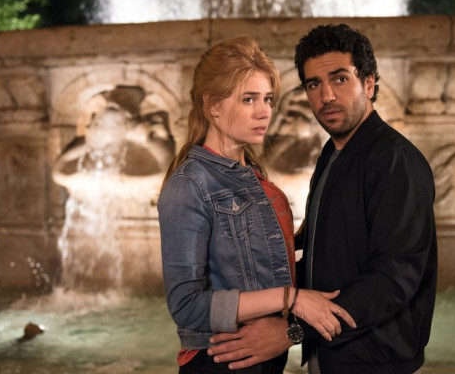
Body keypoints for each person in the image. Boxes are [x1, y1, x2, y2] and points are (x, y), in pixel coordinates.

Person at [207, 24, 438, 374]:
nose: (326, 96)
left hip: (376, 361)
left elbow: (394, 279)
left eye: (340, 79)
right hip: (333, 354)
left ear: (369, 84)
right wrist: (252, 298)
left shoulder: (394, 161)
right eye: (314, 84)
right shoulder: (333, 153)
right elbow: (328, 258)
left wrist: (291, 332)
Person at [156, 35, 356, 374]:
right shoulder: (188, 185)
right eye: (248, 99)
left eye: (267, 99)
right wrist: (291, 299)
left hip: (264, 361)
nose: (264, 112)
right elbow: (186, 306)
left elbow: (260, 263)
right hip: (221, 362)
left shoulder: (253, 175)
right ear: (213, 106)